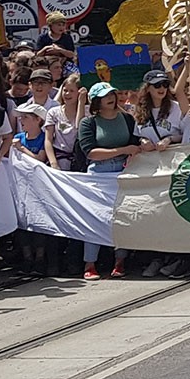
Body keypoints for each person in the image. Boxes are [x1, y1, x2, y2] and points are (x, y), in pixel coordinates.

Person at [77, 82, 141, 280]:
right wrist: (122, 150)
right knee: (95, 217)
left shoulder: (127, 119)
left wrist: (138, 147)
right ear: (97, 101)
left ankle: (120, 260)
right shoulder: (88, 123)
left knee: (121, 216)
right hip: (99, 174)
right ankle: (90, 263)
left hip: (123, 172)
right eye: (105, 96)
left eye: (112, 93)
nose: (110, 98)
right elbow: (90, 152)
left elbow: (136, 140)